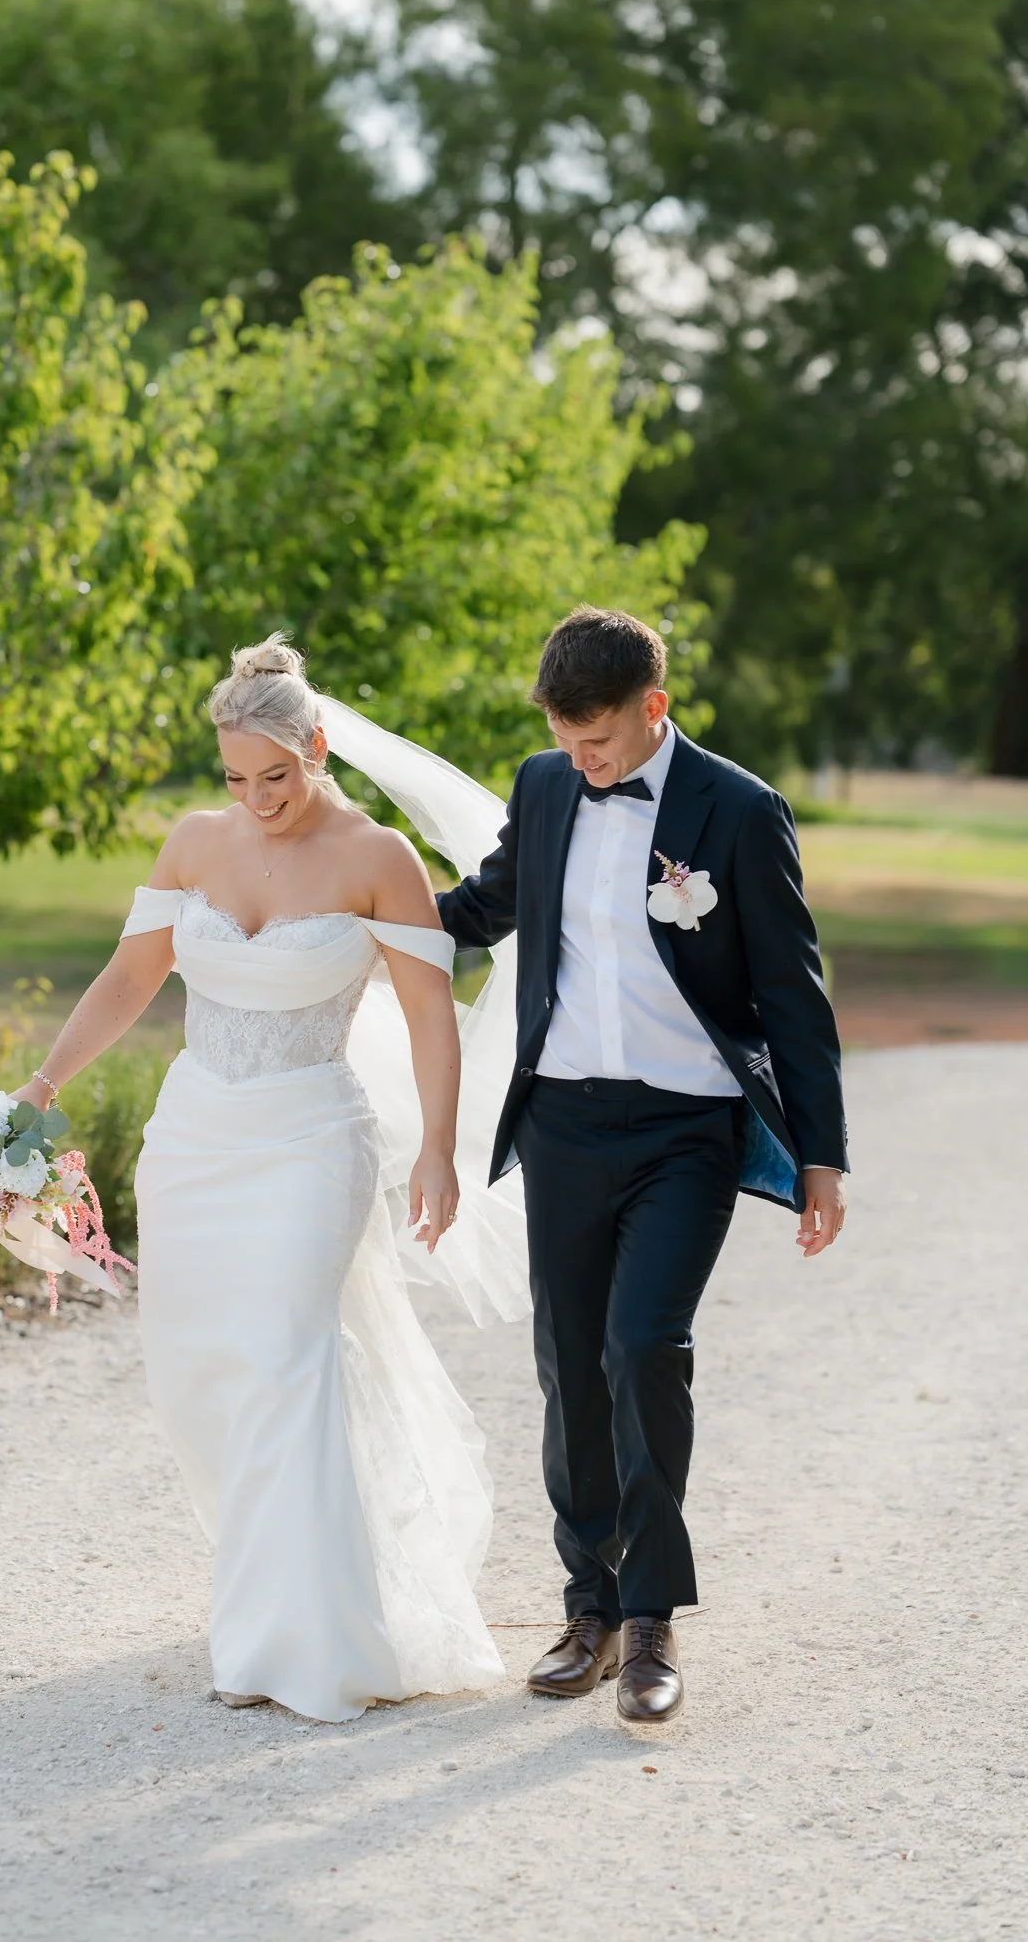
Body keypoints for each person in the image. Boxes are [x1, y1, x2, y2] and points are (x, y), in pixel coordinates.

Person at [13, 636, 513, 1723]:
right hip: (194, 1138)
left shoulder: (379, 858)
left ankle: (298, 1643)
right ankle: (269, 1590)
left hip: (310, 1141)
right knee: (203, 1371)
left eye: (276, 777)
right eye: (238, 779)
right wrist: (45, 1082)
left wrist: (436, 1145)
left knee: (289, 1356)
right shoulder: (195, 842)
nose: (257, 800)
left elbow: (431, 1014)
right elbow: (131, 973)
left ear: (319, 749)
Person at [436, 606, 848, 1724]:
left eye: (600, 744)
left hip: (686, 1132)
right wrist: (359, 924)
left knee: (642, 1345)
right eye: (569, 744)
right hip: (564, 1122)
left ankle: (655, 1617)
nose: (583, 763)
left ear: (653, 708)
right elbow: (484, 907)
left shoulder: (741, 810)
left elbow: (793, 996)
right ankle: (592, 1605)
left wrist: (824, 1156)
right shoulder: (543, 784)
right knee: (569, 1363)